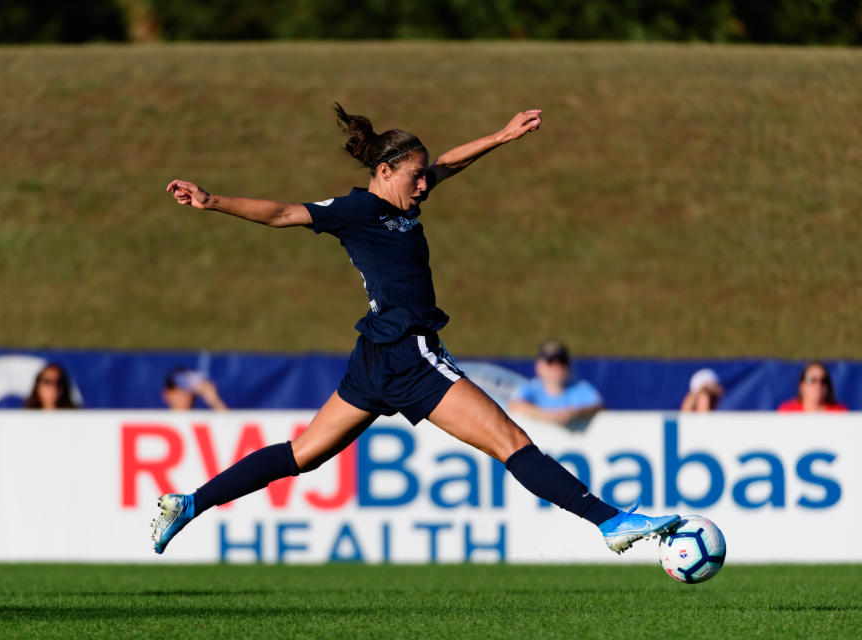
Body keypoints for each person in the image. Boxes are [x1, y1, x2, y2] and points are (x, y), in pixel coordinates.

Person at [152, 104, 679, 556]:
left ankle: (189, 503)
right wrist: (212, 200)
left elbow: (449, 163)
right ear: (384, 171)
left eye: (425, 175)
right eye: (415, 175)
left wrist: (501, 135)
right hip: (409, 351)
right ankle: (612, 523)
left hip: (375, 356)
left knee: (302, 454)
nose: (425, 183)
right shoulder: (358, 210)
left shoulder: (405, 203)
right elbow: (285, 212)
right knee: (512, 442)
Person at [507, 341, 604, 425]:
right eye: (550, 363)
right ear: (539, 366)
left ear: (568, 366)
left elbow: (599, 407)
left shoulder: (581, 389)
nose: (556, 368)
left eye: (561, 362)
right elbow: (514, 405)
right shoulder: (530, 389)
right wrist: (546, 416)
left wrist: (574, 413)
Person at [778, 361, 847, 412]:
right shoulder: (787, 412)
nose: (818, 385)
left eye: (823, 380)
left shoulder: (839, 412)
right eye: (811, 380)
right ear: (801, 385)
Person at [162, 367, 228, 411]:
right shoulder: (158, 419)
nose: (184, 395)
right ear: (167, 394)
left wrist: (214, 401)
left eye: (187, 391)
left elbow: (229, 425)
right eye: (179, 391)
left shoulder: (200, 420)